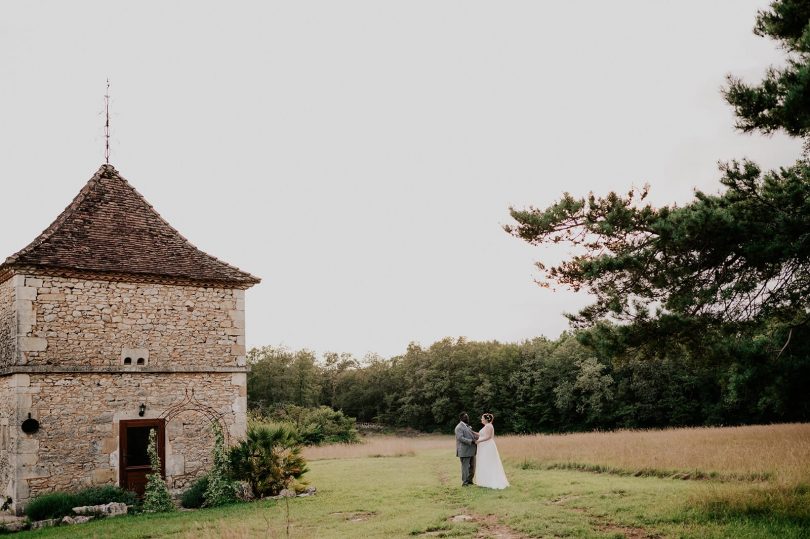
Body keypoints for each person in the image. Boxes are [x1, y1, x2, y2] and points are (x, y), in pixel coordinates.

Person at [473, 413, 509, 489]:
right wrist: (472, 432)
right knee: (484, 462)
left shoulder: (489, 426)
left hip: (487, 446)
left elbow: (488, 437)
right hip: (484, 446)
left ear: (486, 419)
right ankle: (484, 480)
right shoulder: (486, 426)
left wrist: (479, 441)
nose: (481, 419)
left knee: (488, 462)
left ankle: (489, 481)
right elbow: (480, 434)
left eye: (482, 418)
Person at [454, 412, 479, 486]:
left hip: (472, 450)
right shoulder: (458, 427)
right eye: (465, 417)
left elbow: (473, 435)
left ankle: (470, 481)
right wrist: (471, 441)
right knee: (465, 467)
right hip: (464, 451)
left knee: (472, 466)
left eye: (467, 417)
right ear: (461, 418)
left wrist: (481, 438)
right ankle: (465, 482)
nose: (467, 418)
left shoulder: (468, 426)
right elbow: (460, 438)